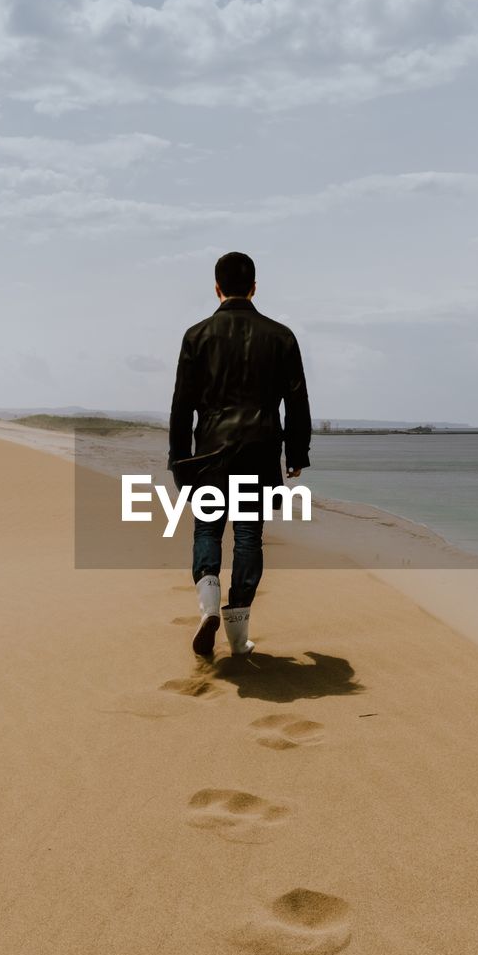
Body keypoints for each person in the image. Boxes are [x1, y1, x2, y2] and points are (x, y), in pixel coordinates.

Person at [169, 251, 311, 657]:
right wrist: (296, 452)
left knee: (208, 529)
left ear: (217, 288)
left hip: (210, 449)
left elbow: (182, 405)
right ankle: (236, 633)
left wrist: (179, 458)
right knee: (249, 537)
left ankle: (209, 602)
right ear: (253, 287)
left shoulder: (196, 335)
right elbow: (297, 402)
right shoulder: (281, 335)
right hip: (262, 448)